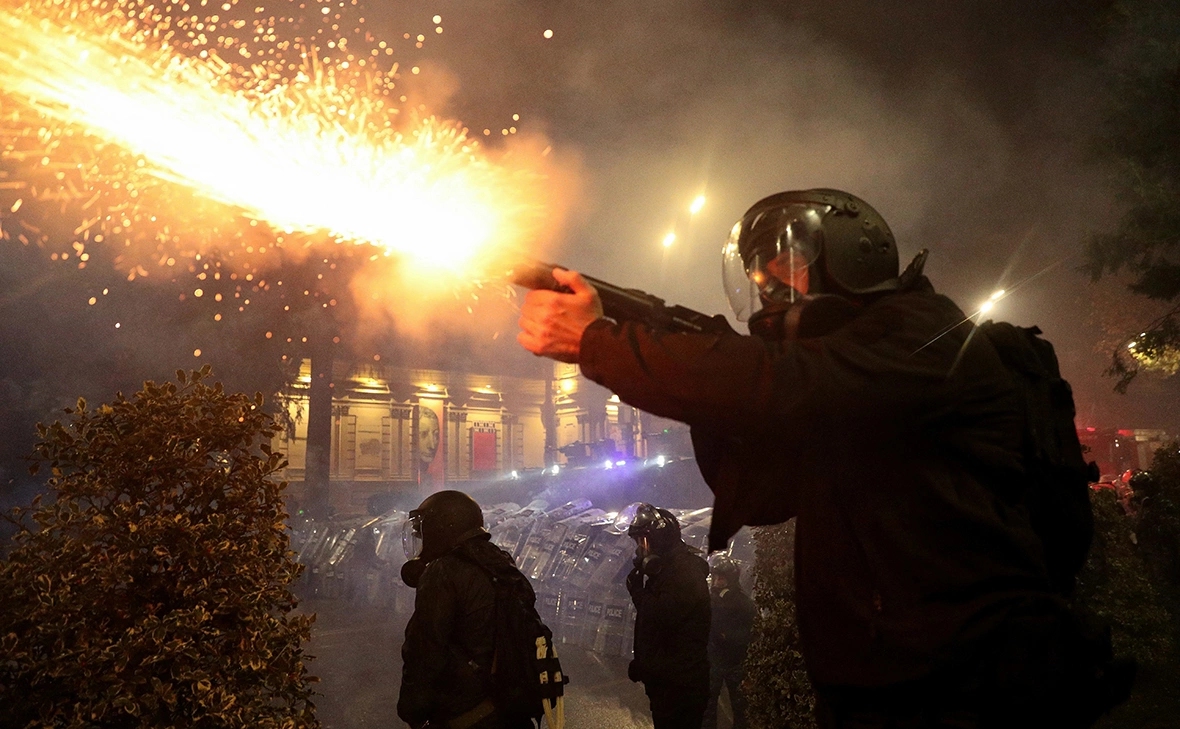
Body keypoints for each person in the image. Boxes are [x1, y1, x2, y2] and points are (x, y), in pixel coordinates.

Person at [516, 188, 1124, 727]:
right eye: (762, 282)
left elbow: (783, 385)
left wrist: (599, 342)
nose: (774, 296)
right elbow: (765, 489)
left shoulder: (926, 337)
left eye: (789, 274)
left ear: (853, 262)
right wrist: (681, 353)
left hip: (971, 687)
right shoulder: (851, 379)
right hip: (888, 687)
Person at [397, 490, 536, 729]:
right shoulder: (500, 563)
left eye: (424, 531)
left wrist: (413, 710)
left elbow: (424, 649)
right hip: (510, 709)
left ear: (441, 529)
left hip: (466, 714)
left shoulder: (443, 571)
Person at [625, 504, 711, 729]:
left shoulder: (685, 573)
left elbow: (659, 616)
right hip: (667, 684)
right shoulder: (667, 571)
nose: (641, 550)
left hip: (681, 687)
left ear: (660, 539)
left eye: (643, 542)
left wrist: (638, 591)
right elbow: (653, 623)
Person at [703, 555, 755, 729]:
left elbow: (750, 632)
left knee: (741, 708)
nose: (718, 581)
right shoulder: (709, 600)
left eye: (722, 577)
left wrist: (728, 636)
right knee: (707, 708)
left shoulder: (743, 603)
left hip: (735, 661)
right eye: (716, 576)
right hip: (713, 660)